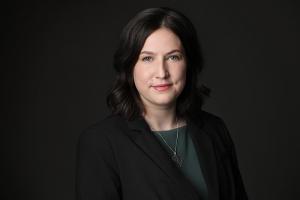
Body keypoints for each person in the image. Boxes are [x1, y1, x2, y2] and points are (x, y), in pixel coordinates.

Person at [76, 7, 248, 200]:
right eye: (147, 58)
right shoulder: (101, 142)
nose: (162, 72)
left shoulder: (215, 130)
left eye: (173, 57)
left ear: (188, 63)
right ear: (129, 66)